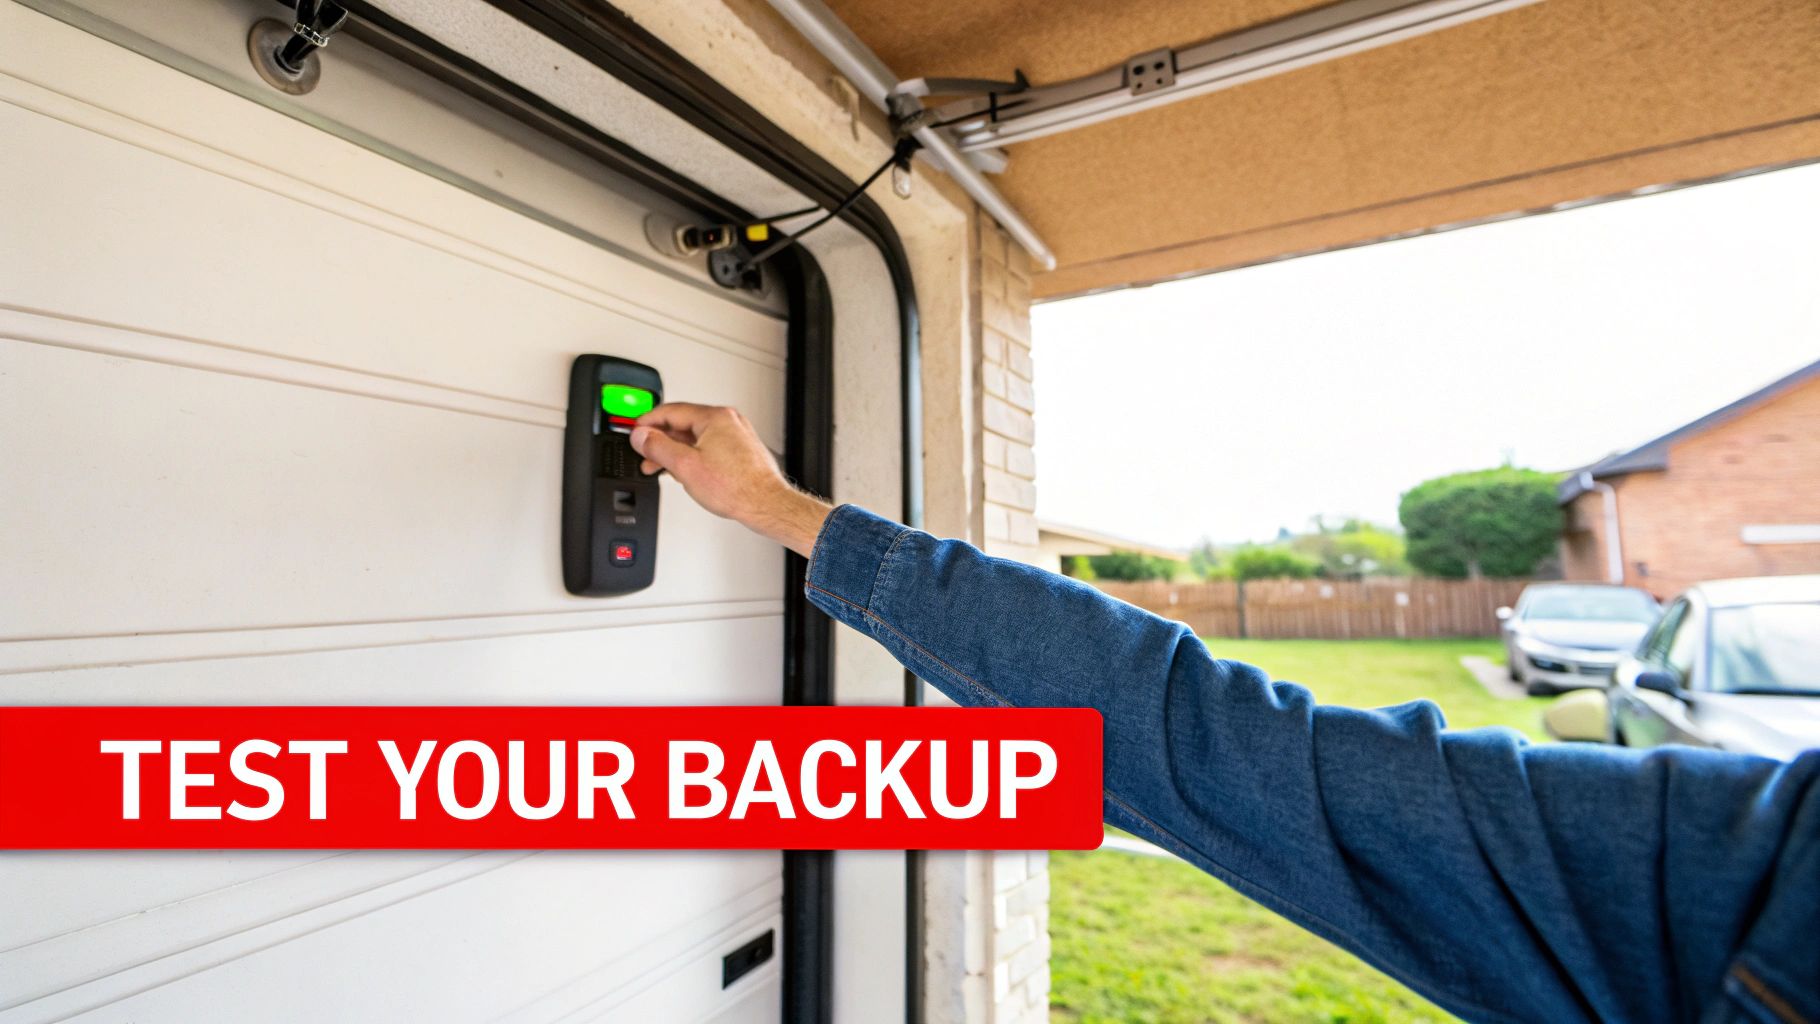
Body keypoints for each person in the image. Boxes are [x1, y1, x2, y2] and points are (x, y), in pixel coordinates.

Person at [629, 403, 1818, 1024]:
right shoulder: (1758, 866)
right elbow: (1215, 737)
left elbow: (1210, 739)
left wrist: (785, 511)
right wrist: (784, 511)